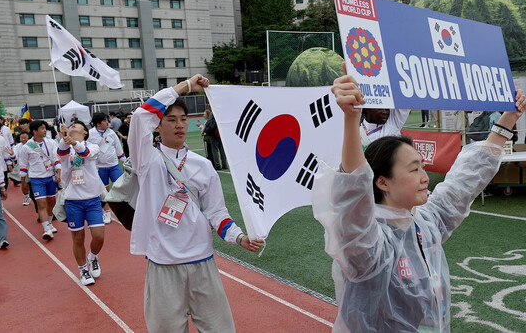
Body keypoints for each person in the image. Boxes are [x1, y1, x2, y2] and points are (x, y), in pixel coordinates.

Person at [312, 68, 526, 332]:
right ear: (382, 181)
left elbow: (464, 182)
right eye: (413, 170)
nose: (425, 177)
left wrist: (507, 120)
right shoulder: (365, 244)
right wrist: (351, 119)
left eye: (423, 167)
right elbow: (354, 194)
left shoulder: (423, 223)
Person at [130, 74, 264, 332]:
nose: (180, 125)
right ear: (158, 125)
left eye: (183, 119)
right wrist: (186, 87)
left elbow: (216, 211)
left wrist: (239, 237)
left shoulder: (203, 165)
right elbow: (140, 116)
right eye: (171, 119)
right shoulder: (146, 159)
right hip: (163, 265)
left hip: (203, 263)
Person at [57, 122, 105, 286]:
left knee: (99, 235)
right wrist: (65, 139)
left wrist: (73, 142)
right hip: (73, 201)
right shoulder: (64, 146)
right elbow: (61, 152)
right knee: (78, 238)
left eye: (77, 125)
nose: (73, 126)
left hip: (92, 199)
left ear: (85, 132)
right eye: (71, 125)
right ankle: (83, 269)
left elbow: (85, 153)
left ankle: (93, 256)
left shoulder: (93, 147)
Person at [19, 120, 61, 240]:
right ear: (34, 131)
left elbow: (55, 158)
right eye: (42, 128)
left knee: (51, 202)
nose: (45, 131)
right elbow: (23, 166)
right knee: (41, 203)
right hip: (37, 179)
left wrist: (58, 173)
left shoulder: (51, 142)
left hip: (50, 177)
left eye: (45, 128)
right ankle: (46, 229)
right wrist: (23, 183)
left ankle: (49, 223)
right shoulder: (27, 147)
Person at [88, 112, 126, 224]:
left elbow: (118, 147)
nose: (107, 122)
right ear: (98, 123)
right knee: (104, 190)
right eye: (105, 121)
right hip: (99, 167)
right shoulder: (90, 134)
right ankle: (107, 212)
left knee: (121, 185)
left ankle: (122, 209)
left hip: (113, 164)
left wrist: (123, 160)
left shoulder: (111, 133)